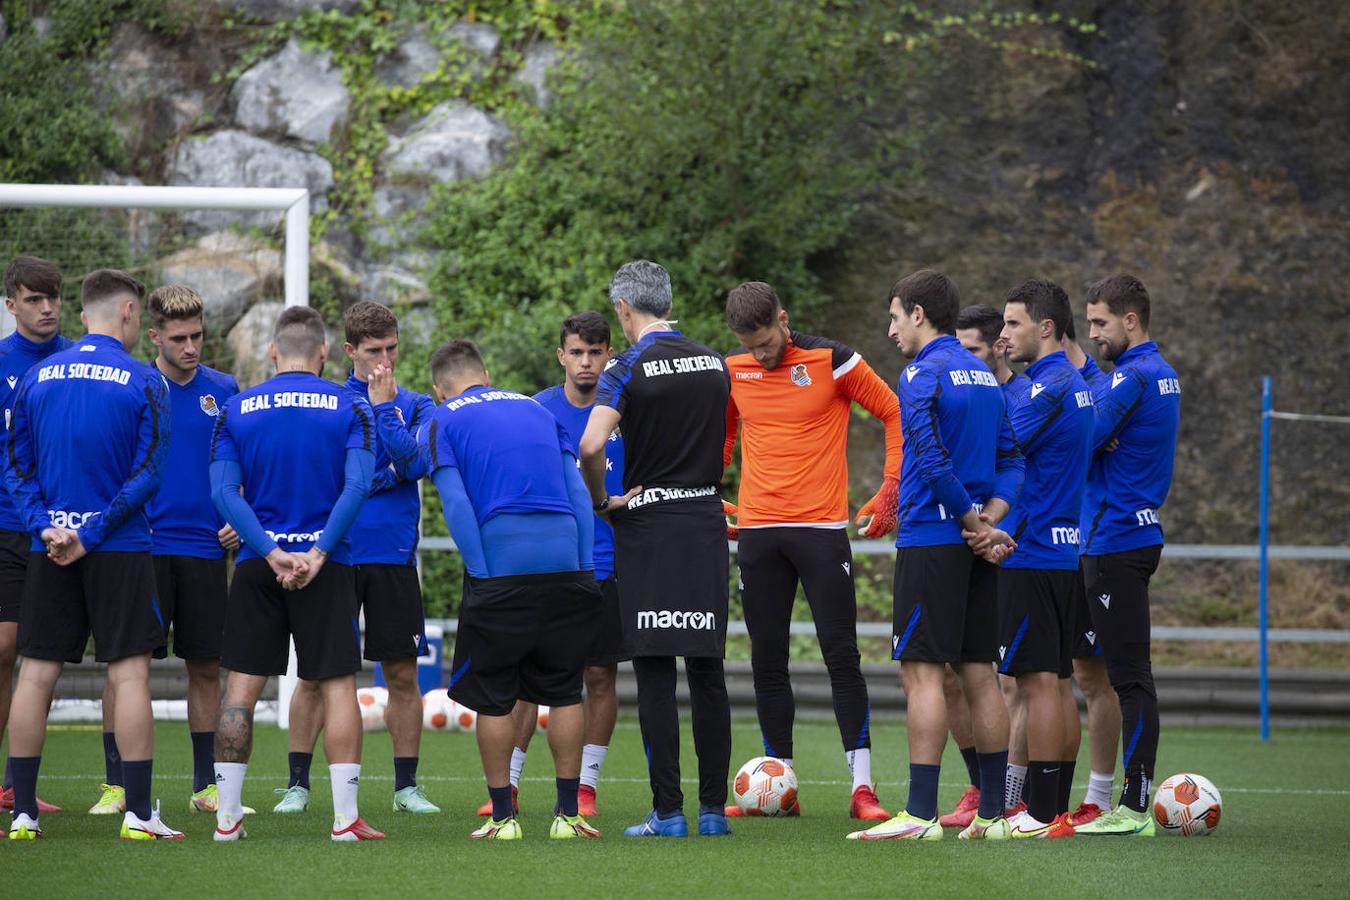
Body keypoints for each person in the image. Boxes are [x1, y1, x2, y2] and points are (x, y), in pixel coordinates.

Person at [849, 269, 1023, 842]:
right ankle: (994, 816)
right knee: (980, 675)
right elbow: (1013, 460)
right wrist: (990, 522)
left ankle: (920, 815)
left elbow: (928, 458)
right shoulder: (984, 374)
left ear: (918, 314)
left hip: (932, 539)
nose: (891, 327)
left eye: (895, 315)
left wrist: (974, 522)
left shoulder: (922, 373)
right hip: (975, 546)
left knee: (921, 675)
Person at [4, 269, 179, 840]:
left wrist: (48, 526)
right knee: (129, 677)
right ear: (129, 314)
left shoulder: (34, 377)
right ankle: (138, 815)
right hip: (119, 548)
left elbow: (14, 467)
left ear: (84, 314)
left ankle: (22, 814)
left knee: (34, 677)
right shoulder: (145, 381)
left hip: (49, 547)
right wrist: (95, 530)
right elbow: (148, 474)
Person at [720, 280, 900, 821]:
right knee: (766, 658)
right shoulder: (734, 370)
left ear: (784, 317)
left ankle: (862, 790)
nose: (760, 352)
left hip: (821, 531)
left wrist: (891, 488)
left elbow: (893, 411)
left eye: (767, 339)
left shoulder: (834, 361)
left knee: (840, 654)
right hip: (756, 533)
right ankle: (781, 785)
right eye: (749, 343)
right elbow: (722, 440)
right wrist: (709, 498)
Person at [208, 305, 381, 843]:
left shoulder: (236, 408)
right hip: (326, 568)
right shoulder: (351, 408)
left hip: (262, 566)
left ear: (274, 352)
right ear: (326, 352)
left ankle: (226, 821)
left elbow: (222, 493)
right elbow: (357, 488)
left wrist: (268, 549)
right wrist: (320, 553)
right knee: (337, 689)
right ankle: (345, 821)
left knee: (240, 690)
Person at [420, 339, 602, 841]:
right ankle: (568, 817)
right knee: (565, 690)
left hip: (501, 566)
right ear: (487, 373)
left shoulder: (441, 419)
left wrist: (481, 572)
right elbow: (578, 495)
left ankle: (504, 819)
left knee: (497, 696)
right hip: (567, 561)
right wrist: (583, 567)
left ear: (439, 389)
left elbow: (455, 503)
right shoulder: (539, 410)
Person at [579, 260, 734, 839]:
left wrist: (604, 501)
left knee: (653, 673)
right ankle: (714, 813)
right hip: (702, 519)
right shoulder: (714, 361)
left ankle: (668, 812)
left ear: (624, 309)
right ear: (668, 301)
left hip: (648, 524)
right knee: (708, 671)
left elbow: (592, 445)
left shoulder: (627, 364)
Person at [273, 301, 440, 816]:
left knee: (403, 674)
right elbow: (327, 472)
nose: (384, 361)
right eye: (373, 352)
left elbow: (419, 462)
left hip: (392, 556)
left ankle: (405, 787)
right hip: (333, 553)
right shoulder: (327, 401)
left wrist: (386, 412)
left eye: (391, 349)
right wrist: (377, 475)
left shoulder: (413, 405)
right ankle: (297, 784)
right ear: (348, 351)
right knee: (315, 674)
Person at [103, 285, 242, 817]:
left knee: (206, 668)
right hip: (142, 549)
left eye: (198, 336)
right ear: (153, 335)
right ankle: (116, 785)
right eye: (179, 338)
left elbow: (239, 462)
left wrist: (237, 515)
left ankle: (205, 785)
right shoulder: (134, 384)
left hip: (207, 550)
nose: (191, 347)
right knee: (126, 666)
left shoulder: (224, 388)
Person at [1073, 274, 1180, 838]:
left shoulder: (1133, 378)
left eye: (1100, 322)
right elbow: (1091, 434)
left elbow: (1074, 442)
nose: (1094, 334)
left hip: (1115, 541)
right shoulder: (1156, 375)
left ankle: (1135, 806)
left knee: (1131, 678)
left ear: (1130, 320)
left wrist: (1085, 432)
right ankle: (1105, 797)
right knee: (1098, 676)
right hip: (1119, 538)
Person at [990, 280, 1094, 837]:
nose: (1004, 336)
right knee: (1053, 682)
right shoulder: (1072, 383)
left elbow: (999, 441)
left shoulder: (1047, 386)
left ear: (1046, 327)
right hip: (1060, 551)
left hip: (1030, 551)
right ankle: (1052, 809)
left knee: (1037, 684)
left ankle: (1040, 812)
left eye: (1012, 324)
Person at [523, 311, 629, 819]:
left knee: (600, 676)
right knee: (528, 676)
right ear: (561, 355)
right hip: (549, 563)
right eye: (577, 353)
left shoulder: (626, 407)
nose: (587, 363)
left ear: (609, 353)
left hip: (609, 564)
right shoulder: (536, 411)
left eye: (596, 352)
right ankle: (512, 783)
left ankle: (586, 786)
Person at [941, 302, 1032, 826]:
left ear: (997, 346)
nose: (961, 359)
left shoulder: (1020, 399)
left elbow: (1019, 472)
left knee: (1011, 679)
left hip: (1012, 547)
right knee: (952, 675)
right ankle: (981, 790)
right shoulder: (956, 391)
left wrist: (997, 532)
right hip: (966, 543)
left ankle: (1011, 793)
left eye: (971, 348)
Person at [0, 256, 70, 816]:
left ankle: (14, 786)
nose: (46, 309)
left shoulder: (77, 362)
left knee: (39, 657)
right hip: (7, 524)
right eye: (33, 299)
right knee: (4, 649)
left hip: (67, 532)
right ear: (11, 305)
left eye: (52, 298)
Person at [1057, 312, 1121, 826]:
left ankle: (1099, 795)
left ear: (1050, 330)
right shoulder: (1033, 383)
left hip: (1089, 543)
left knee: (1090, 675)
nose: (1007, 339)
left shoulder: (1101, 389)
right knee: (1037, 676)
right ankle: (1042, 792)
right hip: (1041, 548)